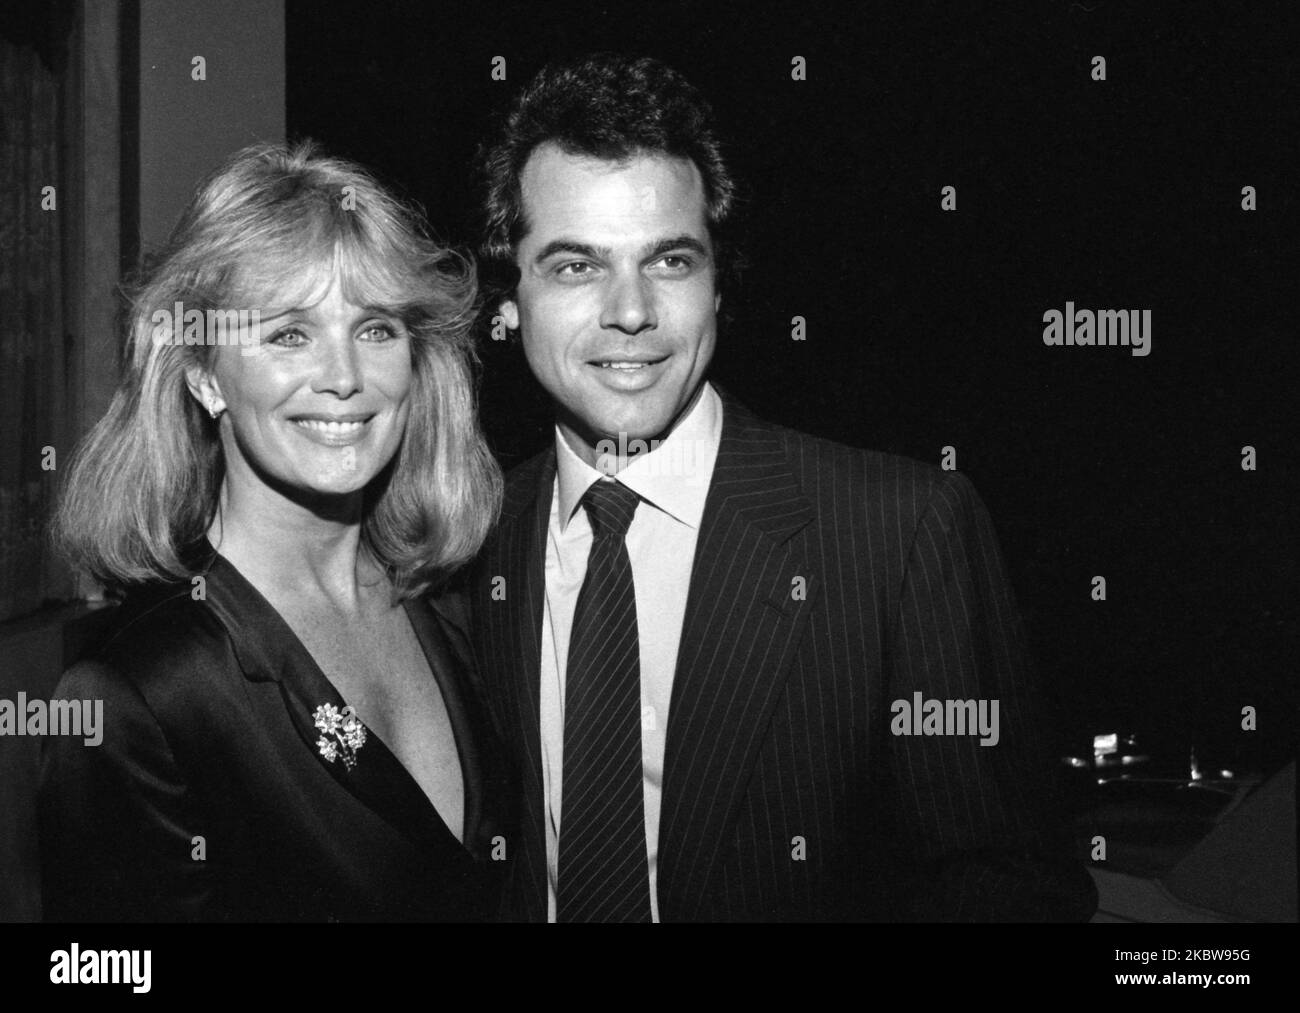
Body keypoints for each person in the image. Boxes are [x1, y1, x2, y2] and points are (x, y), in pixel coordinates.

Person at [466, 53, 1098, 922]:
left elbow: (1010, 884)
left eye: (671, 262)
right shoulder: (471, 533)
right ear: (511, 299)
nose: (630, 311)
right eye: (577, 266)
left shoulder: (899, 531)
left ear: (719, 284)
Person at [39, 141, 507, 922]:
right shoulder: (141, 694)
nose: (344, 376)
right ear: (202, 375)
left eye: (377, 328)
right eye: (289, 333)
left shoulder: (452, 606)